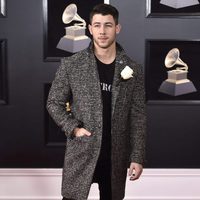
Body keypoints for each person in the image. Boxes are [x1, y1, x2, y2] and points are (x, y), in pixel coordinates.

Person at [47, 3, 146, 200]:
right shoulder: (71, 65)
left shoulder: (133, 69)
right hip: (82, 150)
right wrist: (74, 128)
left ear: (117, 28)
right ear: (90, 29)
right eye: (97, 25)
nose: (102, 31)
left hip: (115, 157)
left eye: (108, 25)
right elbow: (54, 102)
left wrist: (137, 156)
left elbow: (138, 116)